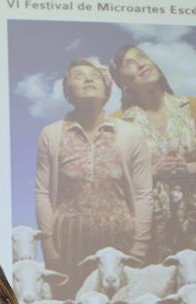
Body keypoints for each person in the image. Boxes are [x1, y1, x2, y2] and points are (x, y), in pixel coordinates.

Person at [35, 59, 152, 290]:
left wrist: (139, 247)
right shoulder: (52, 134)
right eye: (78, 75)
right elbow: (43, 193)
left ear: (107, 91)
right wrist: (49, 248)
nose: (88, 79)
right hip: (67, 241)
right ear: (67, 91)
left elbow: (143, 194)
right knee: (70, 303)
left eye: (96, 76)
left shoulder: (130, 134)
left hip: (121, 242)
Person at [109, 44, 196, 261]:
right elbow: (113, 176)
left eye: (142, 56)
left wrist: (189, 168)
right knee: (155, 278)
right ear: (122, 82)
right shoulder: (119, 121)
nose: (141, 63)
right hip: (149, 220)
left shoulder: (191, 106)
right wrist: (152, 172)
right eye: (129, 63)